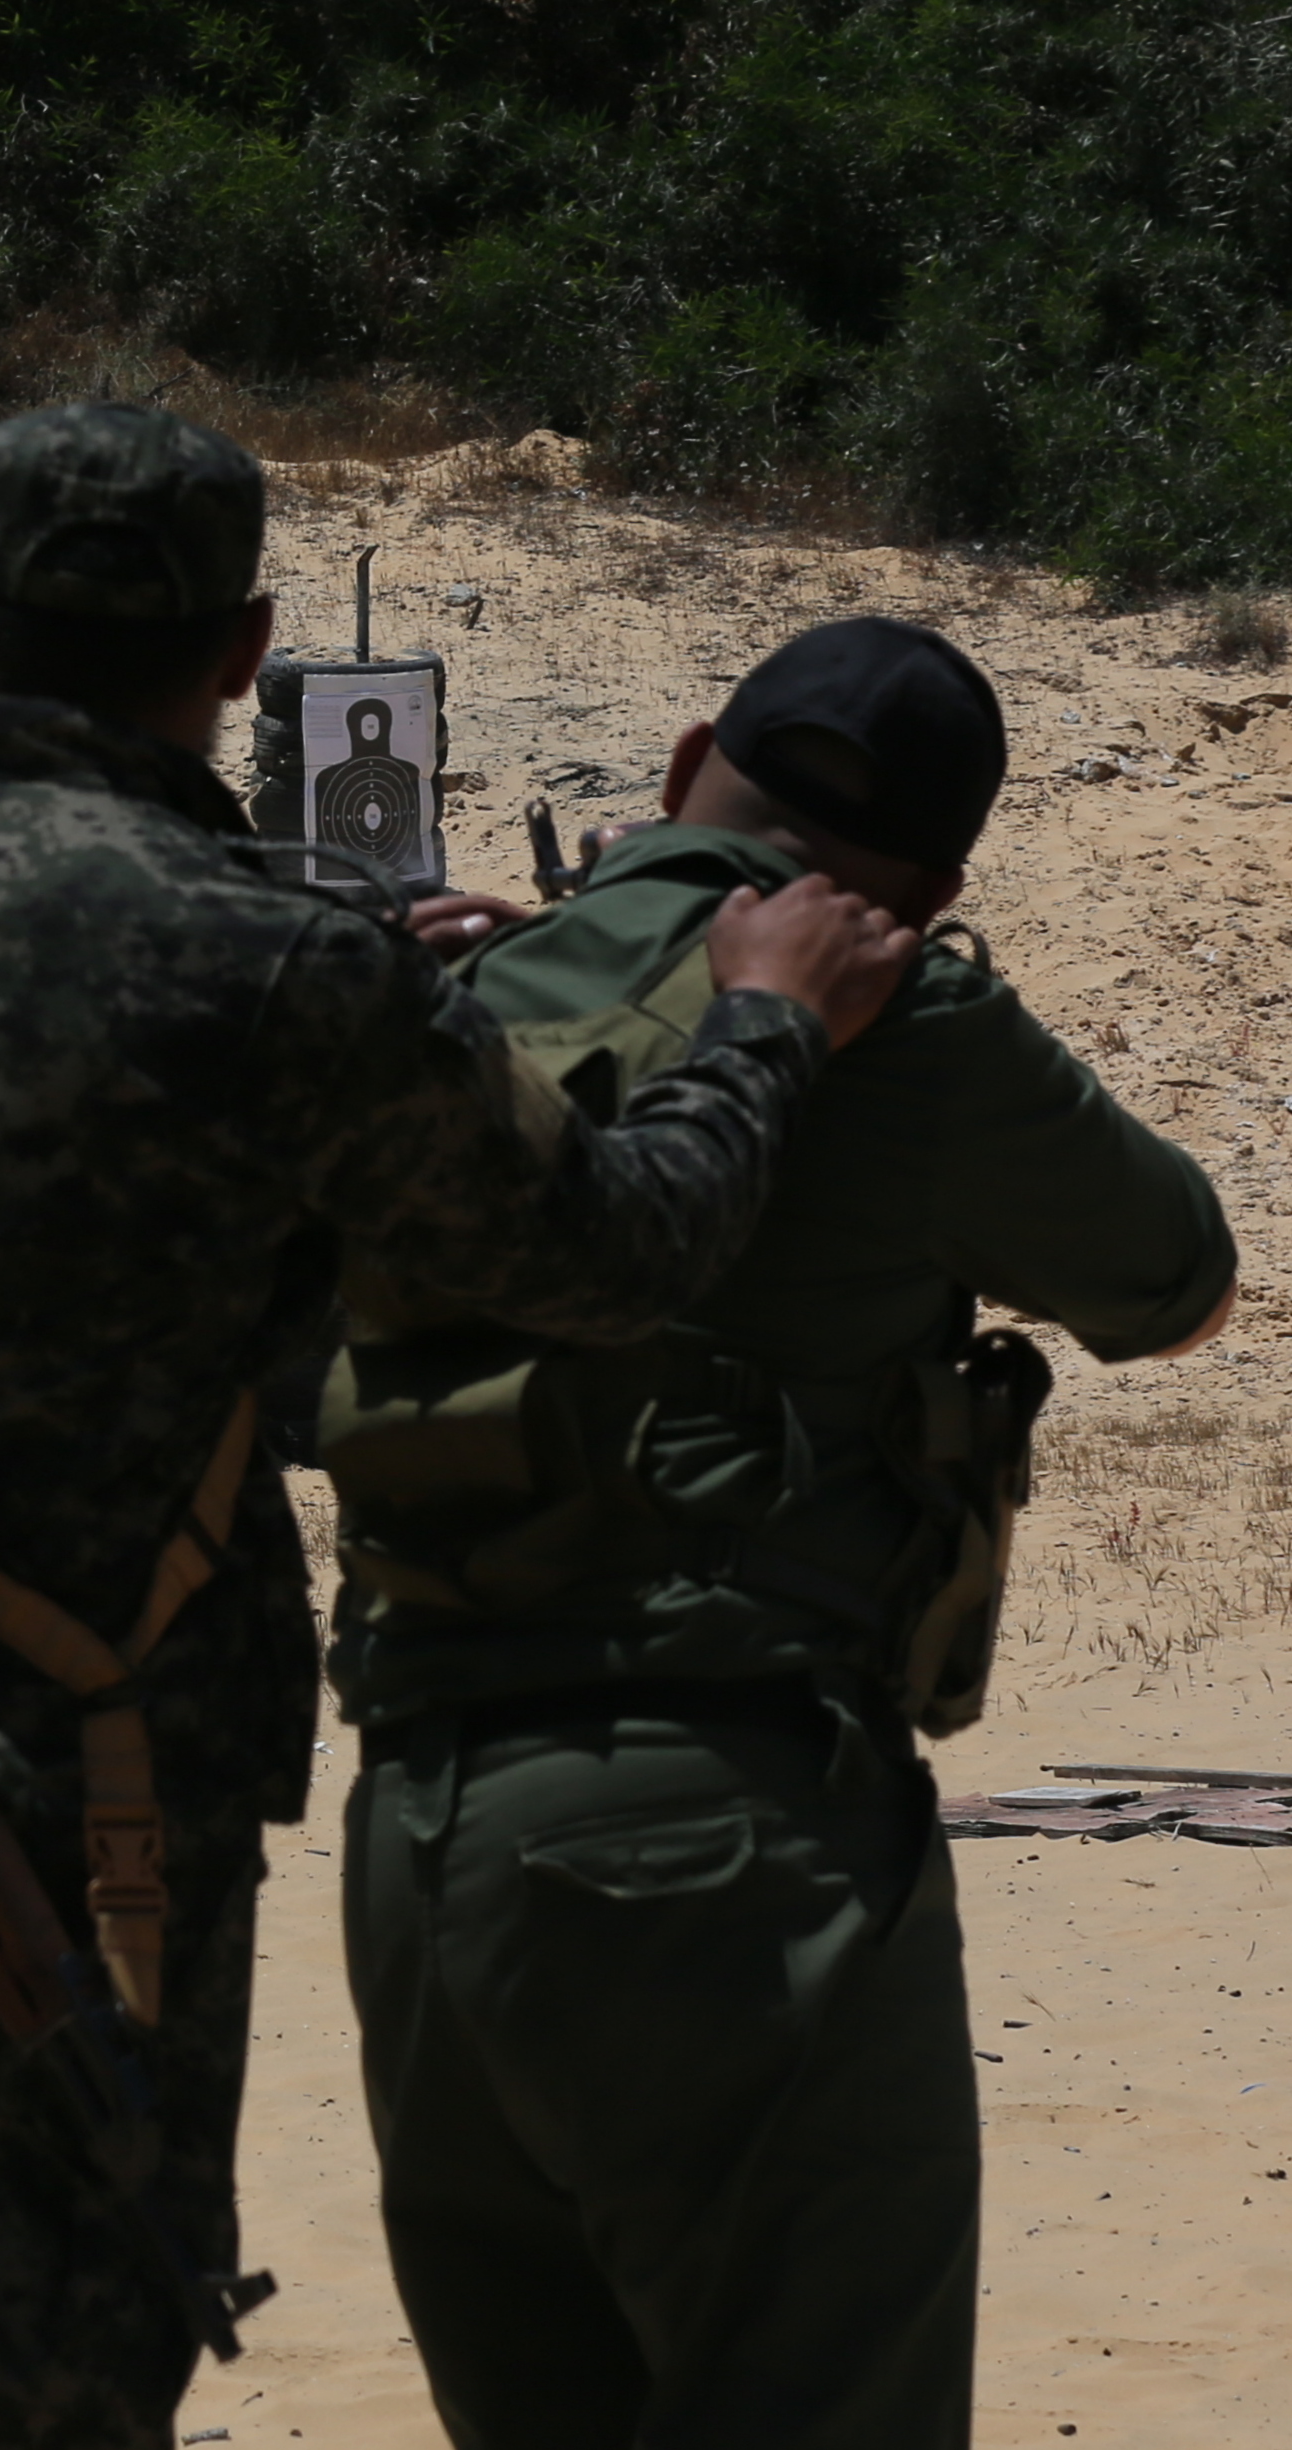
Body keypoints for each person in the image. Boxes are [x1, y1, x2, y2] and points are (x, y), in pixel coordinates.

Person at [0, 402, 917, 2450]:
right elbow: (613, 1254)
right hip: (68, 1808)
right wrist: (766, 1017)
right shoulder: (261, 968)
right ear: (247, 657)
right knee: (47, 2373)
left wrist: (354, 1008)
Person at [337, 618, 1239, 2450]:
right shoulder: (909, 1022)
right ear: (936, 881)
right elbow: (1176, 1276)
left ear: (682, 767)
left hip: (421, 1837)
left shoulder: (453, 998)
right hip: (724, 1841)